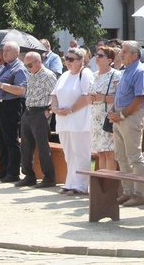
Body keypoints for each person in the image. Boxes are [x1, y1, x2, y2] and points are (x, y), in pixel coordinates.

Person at [107, 41, 144, 206]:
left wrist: (122, 115)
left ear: (135, 54)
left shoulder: (139, 72)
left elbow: (140, 98)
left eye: (124, 51)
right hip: (120, 116)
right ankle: (128, 191)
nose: (120, 54)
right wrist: (114, 111)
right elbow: (122, 95)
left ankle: (140, 194)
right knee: (120, 156)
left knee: (134, 156)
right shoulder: (126, 71)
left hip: (130, 117)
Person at [50, 47, 93, 195]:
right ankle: (70, 183)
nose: (67, 62)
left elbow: (87, 96)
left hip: (79, 120)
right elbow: (54, 94)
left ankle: (80, 185)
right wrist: (54, 108)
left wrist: (71, 109)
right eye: (66, 59)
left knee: (81, 153)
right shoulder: (64, 75)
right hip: (63, 120)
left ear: (80, 61)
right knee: (69, 153)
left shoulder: (85, 73)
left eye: (71, 59)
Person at [0, 42, 28, 183]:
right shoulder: (2, 68)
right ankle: (3, 170)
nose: (4, 53)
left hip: (9, 106)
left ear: (16, 53)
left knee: (10, 140)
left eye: (8, 51)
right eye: (4, 51)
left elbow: (21, 90)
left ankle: (13, 172)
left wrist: (0, 85)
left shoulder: (19, 69)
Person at [17, 51, 59, 188]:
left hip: (41, 112)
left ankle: (49, 177)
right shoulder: (30, 74)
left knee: (42, 147)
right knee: (26, 147)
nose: (27, 68)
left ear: (38, 62)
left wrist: (49, 111)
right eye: (26, 66)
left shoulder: (48, 76)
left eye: (29, 65)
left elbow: (57, 95)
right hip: (28, 111)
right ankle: (29, 176)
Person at [88, 45, 118, 171]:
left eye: (101, 56)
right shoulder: (93, 75)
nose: (97, 57)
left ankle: (110, 184)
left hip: (108, 116)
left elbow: (119, 98)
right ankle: (103, 185)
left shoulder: (115, 75)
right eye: (96, 55)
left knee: (110, 152)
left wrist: (103, 98)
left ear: (110, 60)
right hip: (95, 117)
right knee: (100, 152)